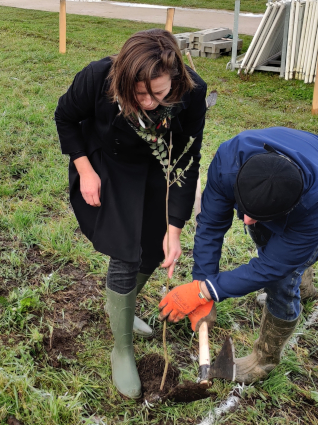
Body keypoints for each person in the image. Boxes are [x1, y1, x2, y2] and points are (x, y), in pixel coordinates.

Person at [54, 29, 207, 399]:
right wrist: (85, 169)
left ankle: (119, 306)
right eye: (141, 94)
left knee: (153, 249)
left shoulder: (192, 93)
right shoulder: (98, 77)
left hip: (159, 170)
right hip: (111, 165)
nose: (152, 102)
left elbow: (187, 159)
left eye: (160, 93)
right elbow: (65, 117)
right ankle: (121, 348)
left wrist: (174, 228)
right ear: (124, 81)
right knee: (126, 251)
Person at [159, 127, 318, 383]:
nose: (247, 220)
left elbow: (271, 267)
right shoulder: (229, 161)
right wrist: (201, 284)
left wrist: (206, 290)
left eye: (258, 214)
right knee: (265, 237)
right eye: (243, 208)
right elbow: (210, 226)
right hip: (287, 163)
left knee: (282, 278)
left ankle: (263, 361)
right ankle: (301, 273)